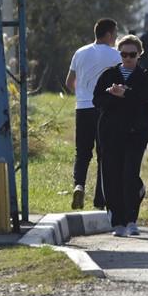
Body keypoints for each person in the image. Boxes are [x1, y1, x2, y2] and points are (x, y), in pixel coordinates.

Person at [93, 35, 148, 237]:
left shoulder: (145, 76)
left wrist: (125, 93)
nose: (127, 58)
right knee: (112, 177)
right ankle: (117, 221)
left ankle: (131, 220)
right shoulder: (109, 75)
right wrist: (112, 95)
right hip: (110, 134)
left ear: (139, 55)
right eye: (124, 54)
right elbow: (97, 99)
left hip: (136, 134)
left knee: (129, 175)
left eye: (132, 54)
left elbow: (144, 96)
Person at [65, 18, 121, 210]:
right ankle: (100, 198)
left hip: (82, 108)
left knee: (82, 153)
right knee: (104, 154)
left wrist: (81, 94)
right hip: (104, 109)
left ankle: (79, 185)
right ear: (108, 34)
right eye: (115, 33)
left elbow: (69, 81)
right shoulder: (116, 56)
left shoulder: (80, 52)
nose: (116, 37)